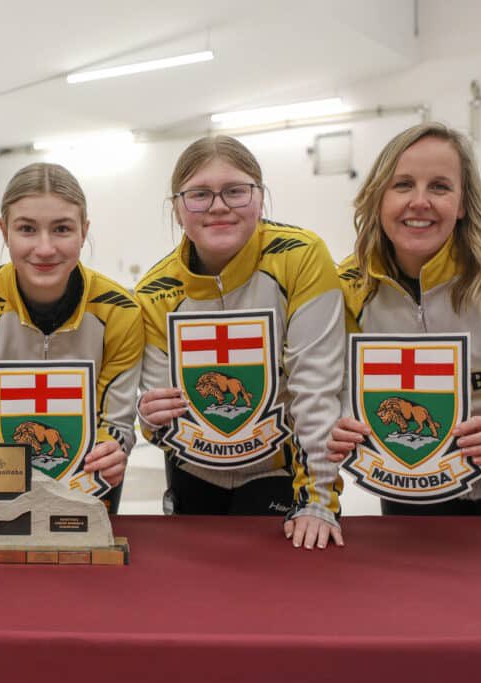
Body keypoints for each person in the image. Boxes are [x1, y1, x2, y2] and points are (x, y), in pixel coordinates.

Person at [326, 121, 481, 515]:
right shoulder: (346, 285)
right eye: (403, 184)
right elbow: (340, 389)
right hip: (409, 478)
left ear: (462, 203)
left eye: (440, 187)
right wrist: (341, 420)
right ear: (378, 198)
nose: (420, 201)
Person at [136, 135, 345, 549]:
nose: (218, 206)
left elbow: (317, 390)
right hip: (192, 471)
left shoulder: (301, 257)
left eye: (235, 190)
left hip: (278, 471)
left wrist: (319, 500)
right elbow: (161, 419)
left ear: (260, 198)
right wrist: (148, 420)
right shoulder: (152, 293)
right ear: (177, 209)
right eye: (199, 194)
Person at [0, 162, 143, 512]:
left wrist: (116, 449)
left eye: (62, 229)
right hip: (1, 479)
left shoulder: (120, 312)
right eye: (27, 229)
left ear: (84, 231)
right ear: (4, 231)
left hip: (88, 480)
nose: (45, 248)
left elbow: (116, 422)